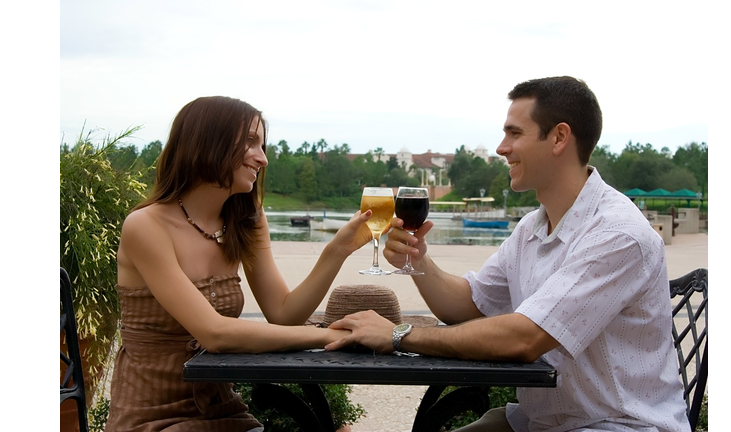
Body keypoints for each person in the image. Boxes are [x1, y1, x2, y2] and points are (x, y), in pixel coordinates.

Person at [326, 77, 689, 431]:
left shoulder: (617, 234)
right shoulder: (533, 227)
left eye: (515, 133)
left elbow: (524, 338)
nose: (501, 148)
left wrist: (397, 335)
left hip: (617, 424)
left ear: (559, 138)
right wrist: (419, 260)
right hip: (538, 421)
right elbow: (467, 304)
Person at [105, 96, 372, 432]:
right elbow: (215, 334)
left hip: (225, 415)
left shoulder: (245, 218)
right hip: (151, 418)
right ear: (207, 140)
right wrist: (325, 336)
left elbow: (284, 313)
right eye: (250, 142)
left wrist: (337, 251)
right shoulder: (146, 226)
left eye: (262, 144)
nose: (263, 158)